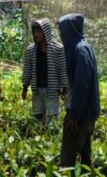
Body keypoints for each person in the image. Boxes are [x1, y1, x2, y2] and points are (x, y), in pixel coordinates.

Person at [58, 13, 100, 170]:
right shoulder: (83, 47)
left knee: (68, 160)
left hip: (80, 116)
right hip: (87, 114)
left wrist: (74, 115)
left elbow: (82, 86)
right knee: (85, 159)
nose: (60, 35)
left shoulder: (80, 50)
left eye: (62, 30)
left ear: (70, 30)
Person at [22, 18, 67, 123]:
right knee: (37, 115)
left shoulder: (58, 49)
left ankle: (51, 136)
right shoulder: (31, 50)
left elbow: (62, 70)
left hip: (52, 89)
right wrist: (25, 87)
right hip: (37, 89)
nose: (36, 34)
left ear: (45, 31)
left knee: (52, 117)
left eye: (39, 31)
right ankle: (38, 135)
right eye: (34, 32)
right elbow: (27, 69)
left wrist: (64, 89)